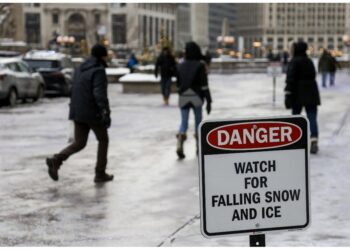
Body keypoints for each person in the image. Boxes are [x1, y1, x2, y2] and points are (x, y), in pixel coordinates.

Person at [46, 44, 114, 183]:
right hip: (92, 112)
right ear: (102, 56)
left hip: (78, 110)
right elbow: (99, 94)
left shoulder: (80, 68)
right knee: (103, 139)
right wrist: (105, 112)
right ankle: (100, 173)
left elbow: (73, 89)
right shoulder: (98, 70)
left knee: (80, 142)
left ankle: (57, 160)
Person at [176, 41, 212, 159]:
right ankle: (198, 147)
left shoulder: (180, 65)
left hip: (184, 95)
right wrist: (209, 101)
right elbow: (204, 85)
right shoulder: (200, 65)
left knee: (184, 122)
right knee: (198, 123)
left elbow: (178, 83)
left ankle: (181, 138)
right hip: (196, 95)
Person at [285, 41, 321, 154]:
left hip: (297, 93)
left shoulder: (294, 61)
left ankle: (295, 141)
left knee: (296, 118)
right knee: (312, 117)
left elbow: (291, 79)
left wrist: (288, 93)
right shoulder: (309, 61)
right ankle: (314, 139)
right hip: (311, 92)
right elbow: (313, 75)